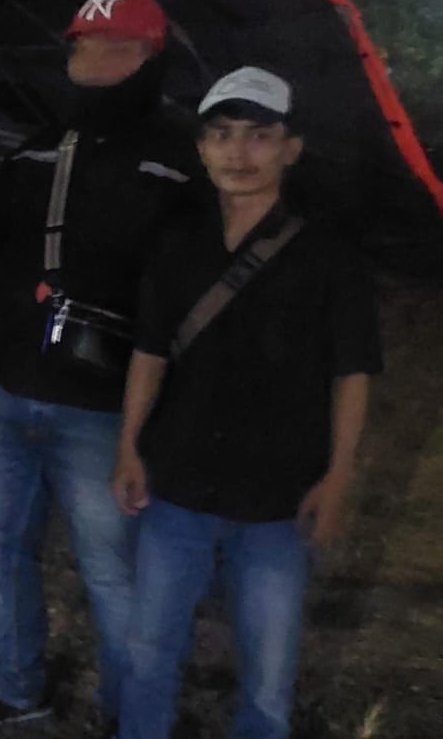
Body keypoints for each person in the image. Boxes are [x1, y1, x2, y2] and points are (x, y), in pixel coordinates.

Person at [0, 0, 203, 735]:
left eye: (111, 48)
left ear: (147, 57)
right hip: (5, 387)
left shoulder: (180, 157)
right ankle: (15, 688)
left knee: (111, 569)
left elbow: (193, 289)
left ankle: (129, 710)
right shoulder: (38, 146)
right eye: (79, 47)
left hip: (102, 405)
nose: (91, 62)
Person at [110, 68, 380, 739]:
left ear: (289, 148)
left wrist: (337, 476)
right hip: (176, 482)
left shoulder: (328, 255)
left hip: (277, 498)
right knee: (149, 654)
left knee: (266, 674)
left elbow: (352, 373)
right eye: (221, 135)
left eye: (259, 136)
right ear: (200, 148)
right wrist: (128, 446)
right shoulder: (177, 244)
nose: (238, 153)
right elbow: (147, 353)